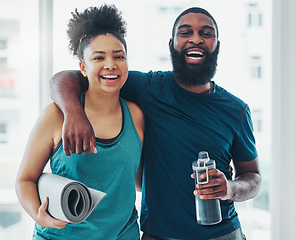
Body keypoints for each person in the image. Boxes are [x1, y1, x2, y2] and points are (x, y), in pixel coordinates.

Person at [49, 7, 261, 240]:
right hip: (158, 235)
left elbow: (253, 177)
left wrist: (230, 188)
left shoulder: (236, 110)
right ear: (172, 44)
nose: (196, 39)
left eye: (206, 33)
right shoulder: (148, 88)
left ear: (216, 46)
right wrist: (73, 112)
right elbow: (66, 78)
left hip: (223, 233)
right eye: (185, 32)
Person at [15, 5, 144, 240]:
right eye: (98, 57)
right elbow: (25, 179)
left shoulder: (136, 116)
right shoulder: (55, 116)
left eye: (119, 56)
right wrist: (37, 214)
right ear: (83, 67)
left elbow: (136, 181)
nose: (110, 64)